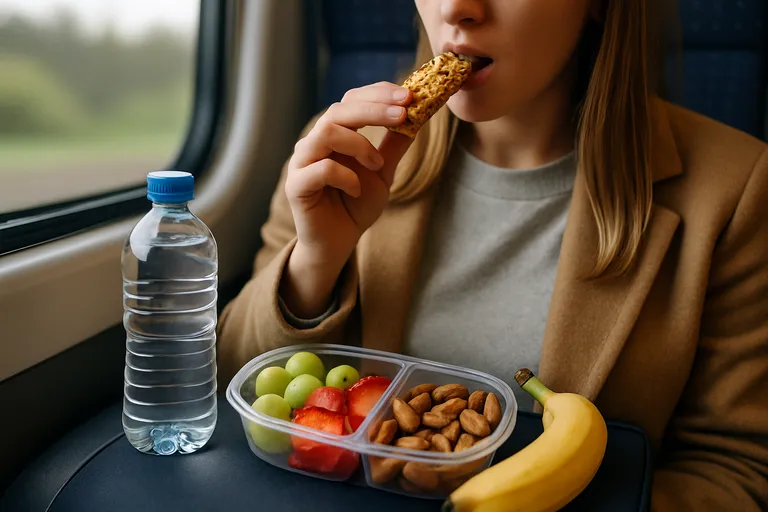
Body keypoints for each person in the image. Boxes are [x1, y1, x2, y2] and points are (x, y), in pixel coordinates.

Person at [217, 1, 768, 509]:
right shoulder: (340, 151)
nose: (456, 7)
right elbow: (235, 389)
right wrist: (316, 259)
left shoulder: (736, 190)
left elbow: (736, 470)